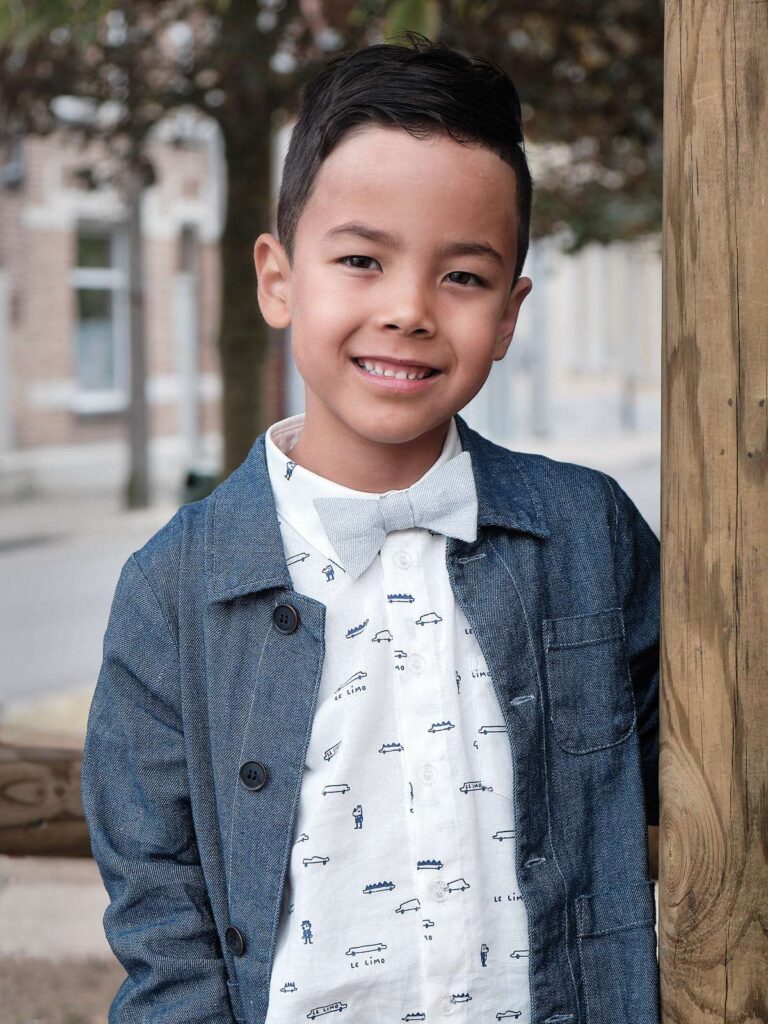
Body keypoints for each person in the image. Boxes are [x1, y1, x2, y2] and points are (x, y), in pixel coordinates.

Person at [81, 32, 661, 1024]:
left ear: (511, 313)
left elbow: (699, 791)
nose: (408, 310)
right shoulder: (174, 588)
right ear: (278, 278)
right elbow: (161, 908)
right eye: (361, 259)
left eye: (463, 277)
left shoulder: (591, 535)